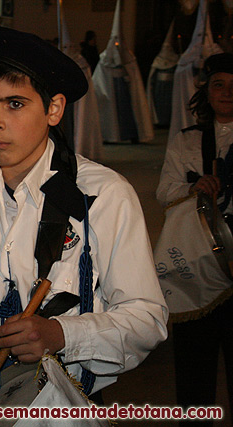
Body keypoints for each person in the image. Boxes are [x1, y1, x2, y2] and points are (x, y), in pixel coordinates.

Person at [0, 26, 168, 426]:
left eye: (15, 104)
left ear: (54, 109)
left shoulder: (103, 197)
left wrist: (63, 335)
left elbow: (147, 318)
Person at [156, 52, 233, 425]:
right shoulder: (185, 142)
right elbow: (164, 191)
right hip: (197, 265)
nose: (227, 92)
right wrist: (193, 186)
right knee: (193, 365)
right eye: (219, 84)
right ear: (206, 91)